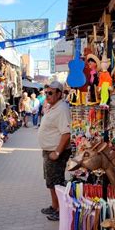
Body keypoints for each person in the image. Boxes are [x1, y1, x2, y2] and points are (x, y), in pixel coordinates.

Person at [37, 81, 72, 221]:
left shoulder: (62, 109)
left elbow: (66, 133)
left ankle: (61, 210)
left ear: (59, 94)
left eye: (50, 93)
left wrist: (57, 153)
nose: (47, 95)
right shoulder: (53, 107)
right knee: (50, 182)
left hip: (56, 153)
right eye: (46, 93)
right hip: (49, 151)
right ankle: (54, 205)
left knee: (57, 183)